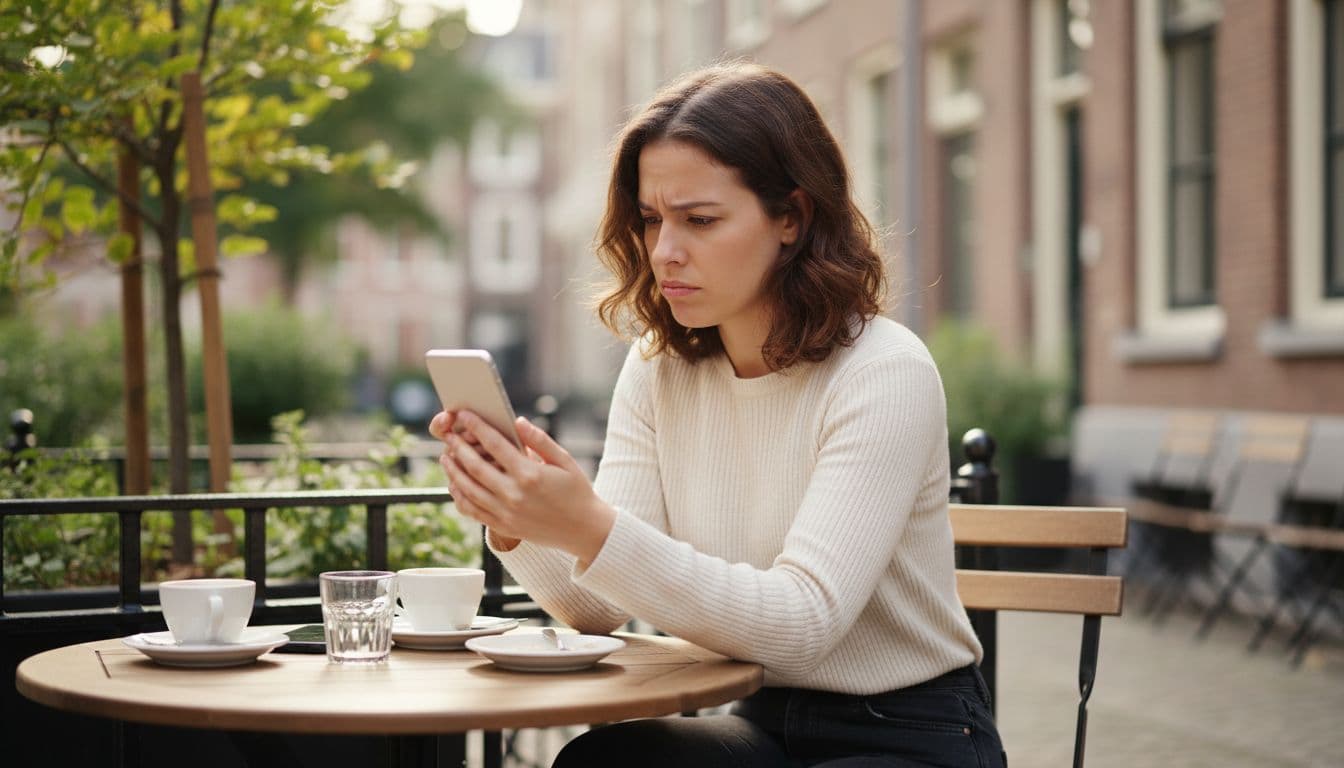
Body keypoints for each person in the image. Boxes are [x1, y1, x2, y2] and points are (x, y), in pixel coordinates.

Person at [430, 61, 1005, 768]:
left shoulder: (884, 372)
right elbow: (596, 608)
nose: (665, 252)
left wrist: (588, 525)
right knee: (604, 761)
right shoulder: (659, 367)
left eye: (700, 220)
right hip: (758, 718)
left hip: (911, 733)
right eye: (650, 220)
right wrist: (518, 517)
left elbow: (802, 624)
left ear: (791, 217)